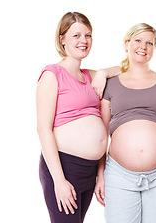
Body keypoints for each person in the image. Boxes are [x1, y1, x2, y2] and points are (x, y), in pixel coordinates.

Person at [94, 23, 156, 223]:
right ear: (126, 44)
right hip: (119, 175)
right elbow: (101, 135)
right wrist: (100, 175)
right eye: (138, 40)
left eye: (149, 43)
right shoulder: (110, 84)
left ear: (154, 48)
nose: (143, 46)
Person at [36, 12, 121, 223]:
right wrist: (59, 180)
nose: (83, 41)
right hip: (64, 167)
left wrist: (102, 72)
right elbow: (43, 129)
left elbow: (126, 70)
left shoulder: (89, 76)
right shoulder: (52, 75)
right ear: (62, 39)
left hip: (89, 170)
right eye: (76, 35)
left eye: (88, 35)